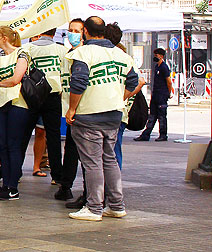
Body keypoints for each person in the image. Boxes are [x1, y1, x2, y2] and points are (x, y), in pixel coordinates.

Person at [65, 16, 139, 221]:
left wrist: (72, 109)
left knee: (92, 163)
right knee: (110, 159)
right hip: (114, 114)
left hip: (89, 115)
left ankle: (94, 207)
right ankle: (116, 204)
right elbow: (133, 81)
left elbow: (78, 83)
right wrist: (117, 97)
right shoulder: (121, 54)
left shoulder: (83, 52)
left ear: (85, 32)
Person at [0, 26, 31, 201]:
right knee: (3, 146)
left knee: (13, 145)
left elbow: (16, 79)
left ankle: (13, 186)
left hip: (18, 103)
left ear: (4, 38)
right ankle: (6, 184)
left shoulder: (22, 52)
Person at [25, 28, 67, 191]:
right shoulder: (62, 50)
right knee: (54, 136)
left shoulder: (28, 49)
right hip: (53, 95)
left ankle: (16, 174)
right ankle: (57, 175)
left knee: (24, 134)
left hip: (31, 95)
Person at [105, 22, 145, 168]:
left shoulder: (103, 55)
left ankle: (107, 186)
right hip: (119, 113)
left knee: (106, 152)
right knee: (114, 150)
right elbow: (139, 81)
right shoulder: (125, 58)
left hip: (105, 110)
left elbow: (140, 82)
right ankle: (113, 186)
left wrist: (119, 98)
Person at [61, 18, 87, 208]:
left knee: (87, 154)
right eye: (70, 30)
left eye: (77, 30)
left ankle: (89, 192)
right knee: (70, 150)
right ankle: (66, 186)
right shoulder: (68, 53)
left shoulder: (84, 54)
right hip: (70, 111)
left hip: (83, 110)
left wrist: (73, 108)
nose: (73, 33)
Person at [135, 47, 173, 143]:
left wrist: (168, 93)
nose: (154, 57)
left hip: (162, 95)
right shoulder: (157, 67)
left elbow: (169, 82)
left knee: (161, 116)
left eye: (156, 55)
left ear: (161, 56)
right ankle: (146, 134)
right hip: (155, 94)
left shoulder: (164, 67)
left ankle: (163, 135)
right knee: (152, 115)